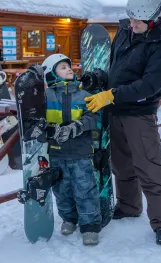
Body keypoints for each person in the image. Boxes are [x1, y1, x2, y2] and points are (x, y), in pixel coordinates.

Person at [84, 0, 161, 246]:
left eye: (138, 22)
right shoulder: (126, 29)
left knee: (149, 167)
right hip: (114, 109)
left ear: (154, 20)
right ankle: (128, 205)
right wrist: (102, 82)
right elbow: (114, 63)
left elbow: (149, 85)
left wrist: (112, 94)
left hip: (138, 113)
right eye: (131, 19)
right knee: (121, 165)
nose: (132, 25)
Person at [39, 54, 102, 245]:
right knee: (62, 189)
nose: (69, 69)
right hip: (56, 153)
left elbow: (94, 116)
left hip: (81, 152)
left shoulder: (84, 95)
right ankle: (69, 218)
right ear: (51, 73)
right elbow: (35, 116)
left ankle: (90, 225)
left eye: (69, 66)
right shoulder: (45, 97)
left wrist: (75, 127)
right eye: (63, 67)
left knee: (85, 189)